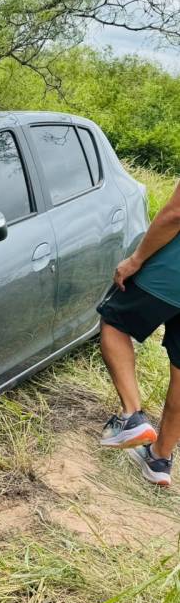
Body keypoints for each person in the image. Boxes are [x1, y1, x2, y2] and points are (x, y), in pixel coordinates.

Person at [97, 182, 180, 487]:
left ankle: (132, 417)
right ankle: (159, 458)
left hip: (172, 272)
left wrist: (136, 259)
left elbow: (175, 214)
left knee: (115, 322)